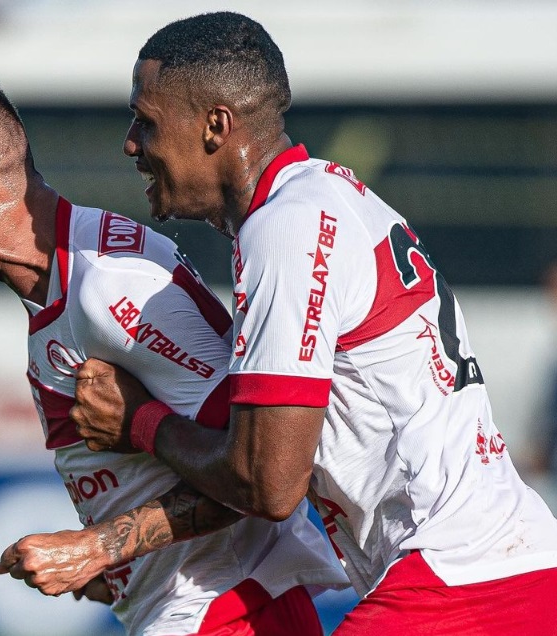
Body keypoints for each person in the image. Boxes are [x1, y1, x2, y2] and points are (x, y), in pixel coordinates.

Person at [68, 11, 557, 635]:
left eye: (146, 121)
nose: (131, 144)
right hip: (505, 569)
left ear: (215, 126)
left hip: (460, 585)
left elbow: (268, 484)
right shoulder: (322, 197)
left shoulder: (286, 226)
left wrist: (138, 420)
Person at [0, 74, 348, 636]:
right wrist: (120, 570)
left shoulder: (108, 288)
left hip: (228, 610)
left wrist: (95, 548)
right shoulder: (61, 288)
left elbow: (265, 472)